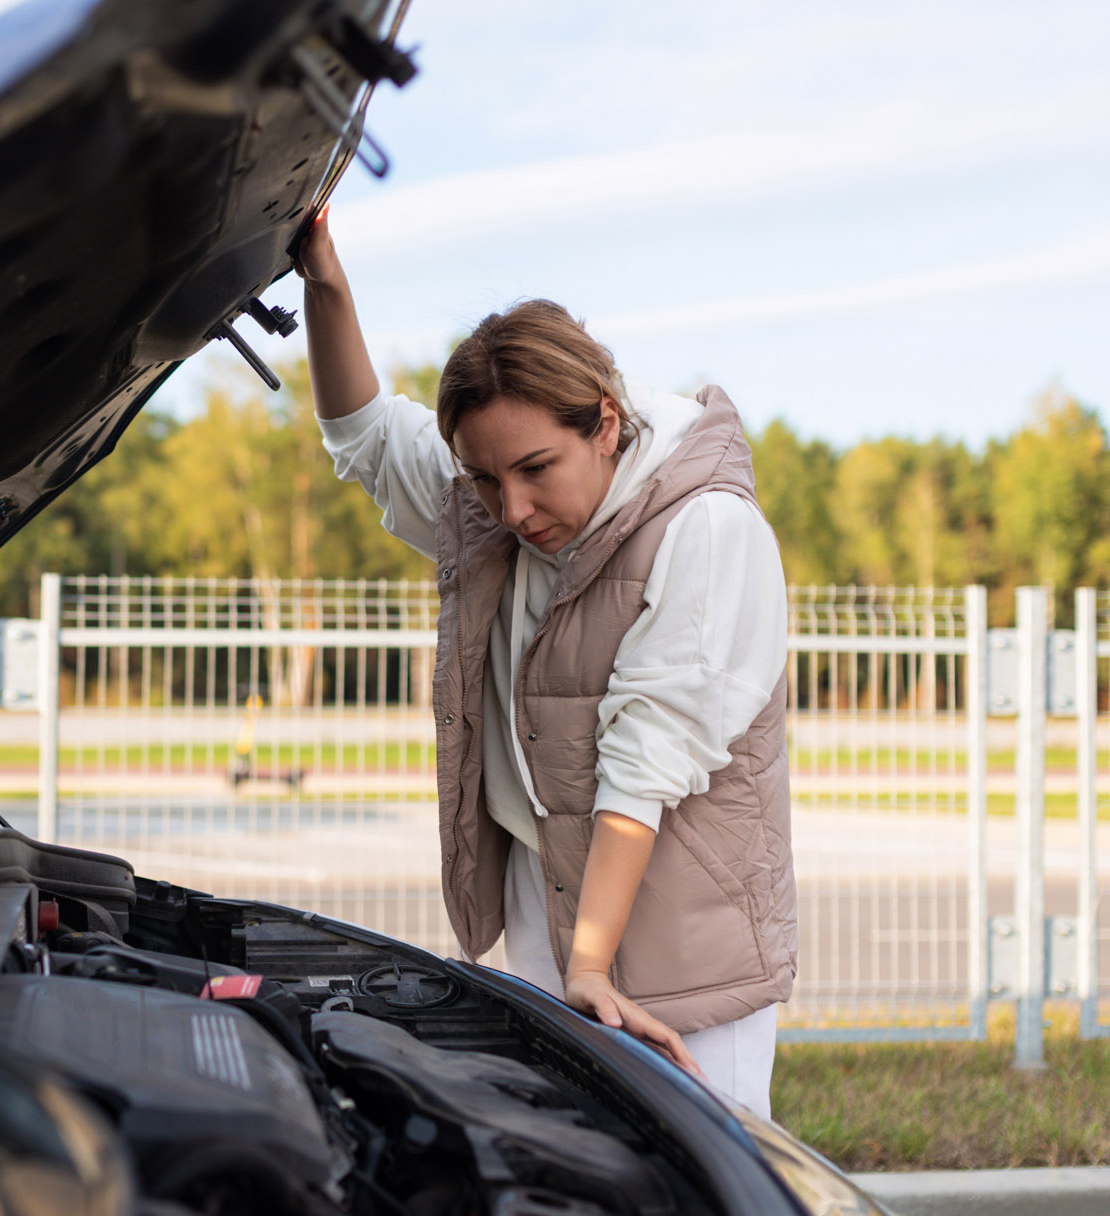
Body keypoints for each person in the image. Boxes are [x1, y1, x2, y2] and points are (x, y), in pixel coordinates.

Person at [296, 210, 797, 1118]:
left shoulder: (707, 528)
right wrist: (324, 279)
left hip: (682, 954)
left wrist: (593, 965)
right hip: (557, 919)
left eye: (535, 469)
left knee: (705, 1211)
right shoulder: (502, 500)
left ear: (606, 421)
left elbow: (646, 761)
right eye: (485, 479)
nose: (513, 508)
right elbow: (366, 437)